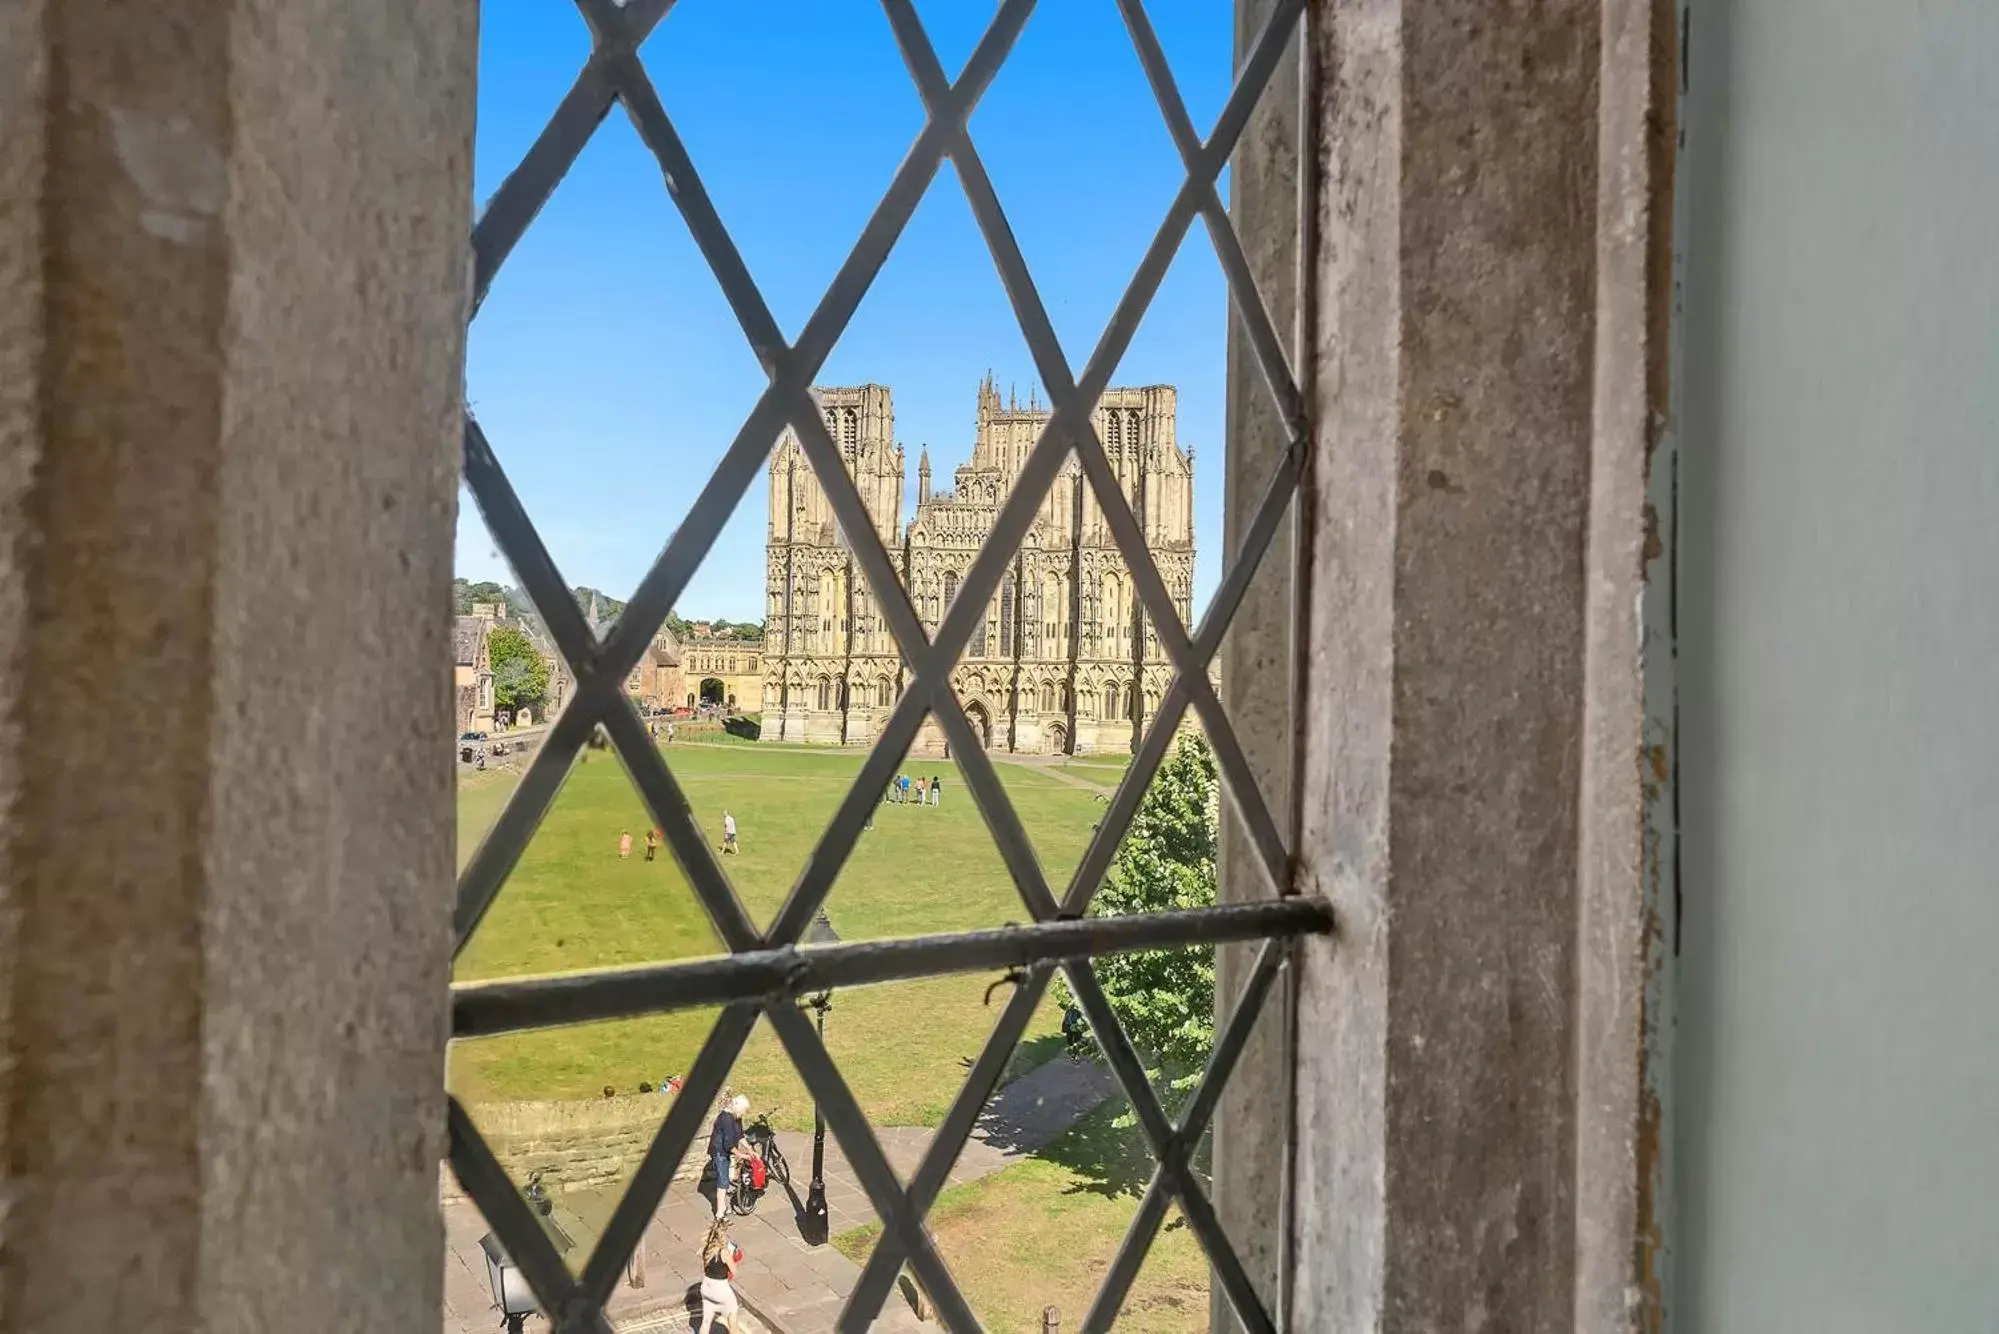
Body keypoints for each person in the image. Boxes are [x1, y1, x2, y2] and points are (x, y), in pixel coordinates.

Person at [698, 1095, 754, 1220]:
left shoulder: (736, 1117)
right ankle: (720, 1214)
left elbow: (740, 1135)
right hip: (719, 1152)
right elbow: (728, 1144)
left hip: (725, 1151)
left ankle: (723, 1207)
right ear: (737, 1108)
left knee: (724, 1180)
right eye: (744, 1110)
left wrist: (750, 1149)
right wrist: (743, 1156)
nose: (744, 1113)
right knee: (723, 1183)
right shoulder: (726, 1119)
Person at [697, 1220, 743, 1333]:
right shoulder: (724, 1252)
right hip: (721, 1289)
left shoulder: (705, 1249)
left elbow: (705, 1267)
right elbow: (734, 1271)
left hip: (706, 1287)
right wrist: (734, 1258)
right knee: (732, 1319)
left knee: (706, 1321)